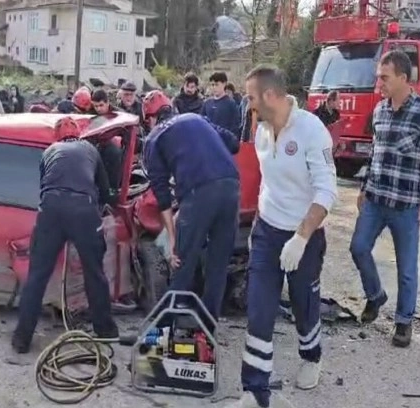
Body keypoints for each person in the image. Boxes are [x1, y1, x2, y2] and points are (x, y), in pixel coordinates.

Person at [225, 65, 338, 408]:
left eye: (251, 97)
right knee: (259, 311)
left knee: (304, 306)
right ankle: (255, 392)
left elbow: (326, 192)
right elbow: (267, 183)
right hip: (267, 232)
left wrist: (301, 238)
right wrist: (259, 223)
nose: (247, 104)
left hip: (304, 236)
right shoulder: (260, 131)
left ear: (270, 96)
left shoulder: (311, 130)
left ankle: (312, 356)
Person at [349, 50, 420, 348]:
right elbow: (375, 152)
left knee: (406, 268)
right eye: (379, 76)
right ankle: (376, 295)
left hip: (406, 205)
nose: (379, 82)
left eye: (384, 77)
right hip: (376, 199)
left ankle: (404, 322)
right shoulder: (379, 110)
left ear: (404, 78)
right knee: (358, 247)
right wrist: (364, 186)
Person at [12, 117, 119, 353]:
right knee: (94, 272)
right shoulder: (90, 149)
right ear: (78, 135)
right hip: (83, 209)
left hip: (50, 209)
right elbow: (104, 187)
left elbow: (43, 187)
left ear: (56, 137)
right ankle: (106, 331)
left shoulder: (49, 151)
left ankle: (21, 339)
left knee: (37, 275)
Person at [142, 90, 240, 320]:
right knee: (218, 265)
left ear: (150, 118)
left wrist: (172, 237)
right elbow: (233, 143)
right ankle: (207, 329)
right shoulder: (196, 118)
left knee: (183, 263)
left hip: (199, 194)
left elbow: (162, 194)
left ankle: (160, 330)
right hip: (231, 188)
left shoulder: (154, 138)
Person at [201, 72, 241, 138]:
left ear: (224, 84)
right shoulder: (207, 103)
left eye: (217, 85)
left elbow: (235, 128)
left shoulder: (231, 104)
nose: (214, 87)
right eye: (212, 85)